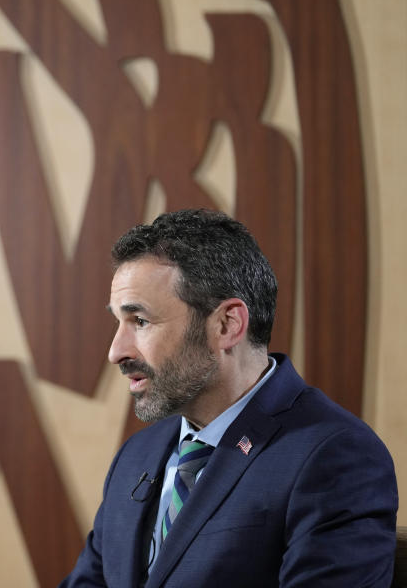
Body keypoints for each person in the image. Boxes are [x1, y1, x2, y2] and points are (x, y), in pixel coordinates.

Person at [59, 209, 398, 587]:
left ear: (227, 324)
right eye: (117, 322)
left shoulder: (337, 457)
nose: (116, 351)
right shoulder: (137, 454)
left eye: (140, 321)